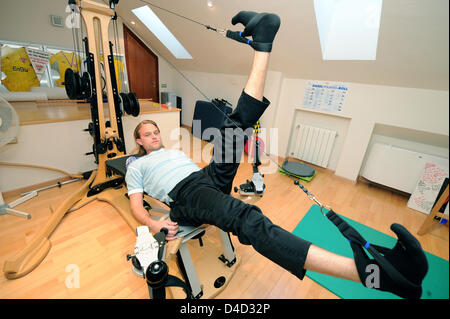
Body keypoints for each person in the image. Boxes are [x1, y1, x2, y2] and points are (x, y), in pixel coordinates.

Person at [125, 11, 428, 299]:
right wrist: (154, 224)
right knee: (246, 218)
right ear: (139, 140)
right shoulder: (136, 165)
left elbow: (208, 166)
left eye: (156, 132)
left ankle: (263, 44)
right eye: (148, 134)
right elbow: (138, 208)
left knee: (234, 126)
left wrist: (213, 167)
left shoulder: (172, 151)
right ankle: (379, 275)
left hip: (204, 177)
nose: (154, 136)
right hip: (186, 198)